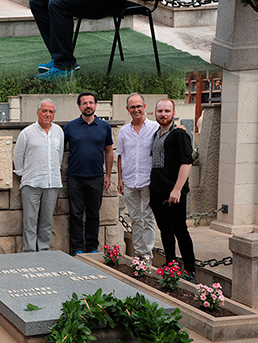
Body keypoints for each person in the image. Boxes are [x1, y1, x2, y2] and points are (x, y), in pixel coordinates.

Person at [149, 99, 196, 280]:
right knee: (165, 230)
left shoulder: (179, 134)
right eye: (160, 110)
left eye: (167, 111)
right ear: (155, 113)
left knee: (180, 229)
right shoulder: (155, 134)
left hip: (174, 192)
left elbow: (187, 162)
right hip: (157, 190)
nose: (163, 114)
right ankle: (170, 264)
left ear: (173, 113)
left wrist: (177, 189)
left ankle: (190, 269)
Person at [64, 91, 114, 255]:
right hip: (75, 178)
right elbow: (58, 149)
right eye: (84, 103)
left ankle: (92, 247)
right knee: (76, 215)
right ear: (79, 106)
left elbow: (109, 151)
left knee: (93, 214)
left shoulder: (104, 126)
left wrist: (108, 175)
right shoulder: (70, 127)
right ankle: (77, 248)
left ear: (95, 105)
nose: (88, 106)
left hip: (96, 177)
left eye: (91, 102)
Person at [13, 99, 64, 252]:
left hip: (51, 183)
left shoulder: (59, 132)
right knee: (30, 221)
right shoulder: (27, 133)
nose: (47, 114)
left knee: (47, 221)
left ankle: (44, 250)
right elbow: (18, 156)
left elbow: (59, 155)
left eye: (51, 112)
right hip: (31, 183)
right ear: (38, 112)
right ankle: (29, 252)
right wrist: (25, 174)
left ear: (54, 114)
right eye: (44, 111)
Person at [116, 94, 158, 261]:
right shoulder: (124, 132)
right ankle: (139, 252)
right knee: (135, 218)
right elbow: (120, 156)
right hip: (129, 180)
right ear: (128, 110)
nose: (136, 110)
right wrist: (119, 179)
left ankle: (147, 255)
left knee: (148, 218)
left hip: (149, 181)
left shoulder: (155, 128)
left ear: (144, 107)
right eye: (132, 107)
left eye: (138, 106)